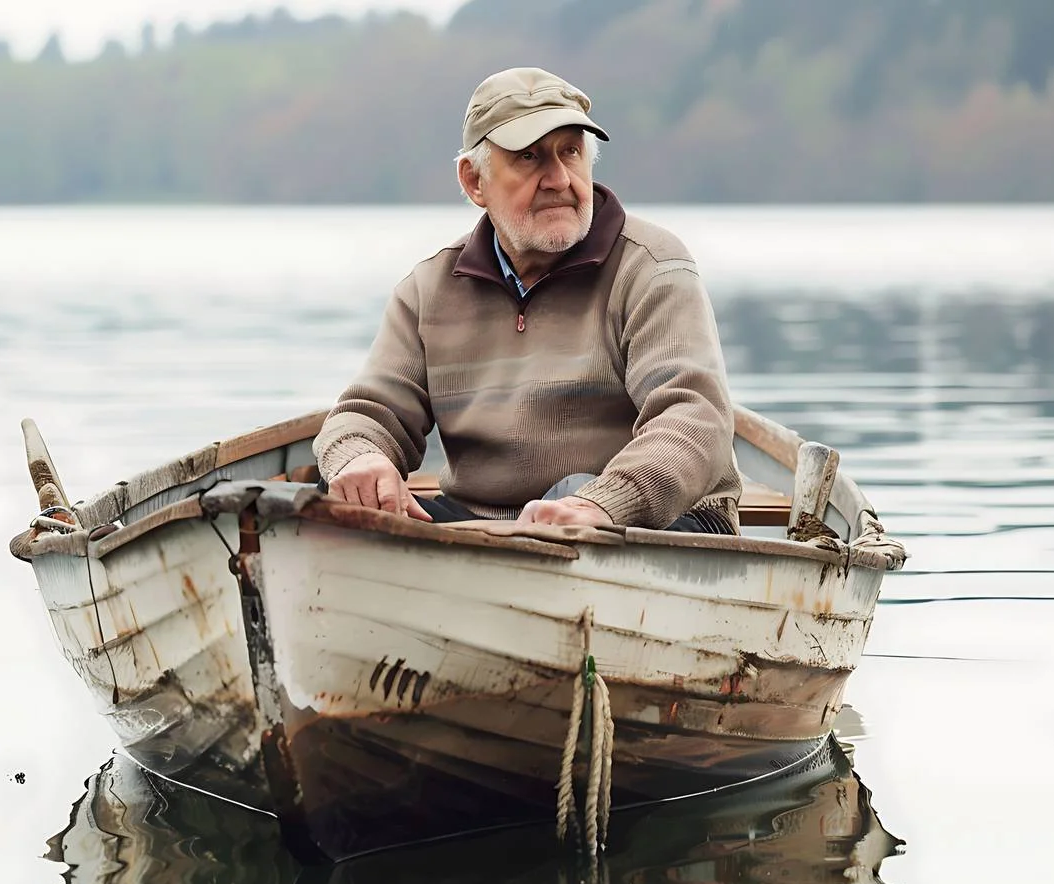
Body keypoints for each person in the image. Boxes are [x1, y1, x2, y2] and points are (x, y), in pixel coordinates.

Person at [313, 67, 741, 534]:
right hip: (487, 525)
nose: (558, 178)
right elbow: (364, 413)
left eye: (570, 152)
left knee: (575, 491)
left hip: (654, 524)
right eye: (529, 157)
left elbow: (693, 419)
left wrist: (599, 504)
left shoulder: (652, 267)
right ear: (475, 181)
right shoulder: (428, 289)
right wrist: (361, 459)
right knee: (329, 508)